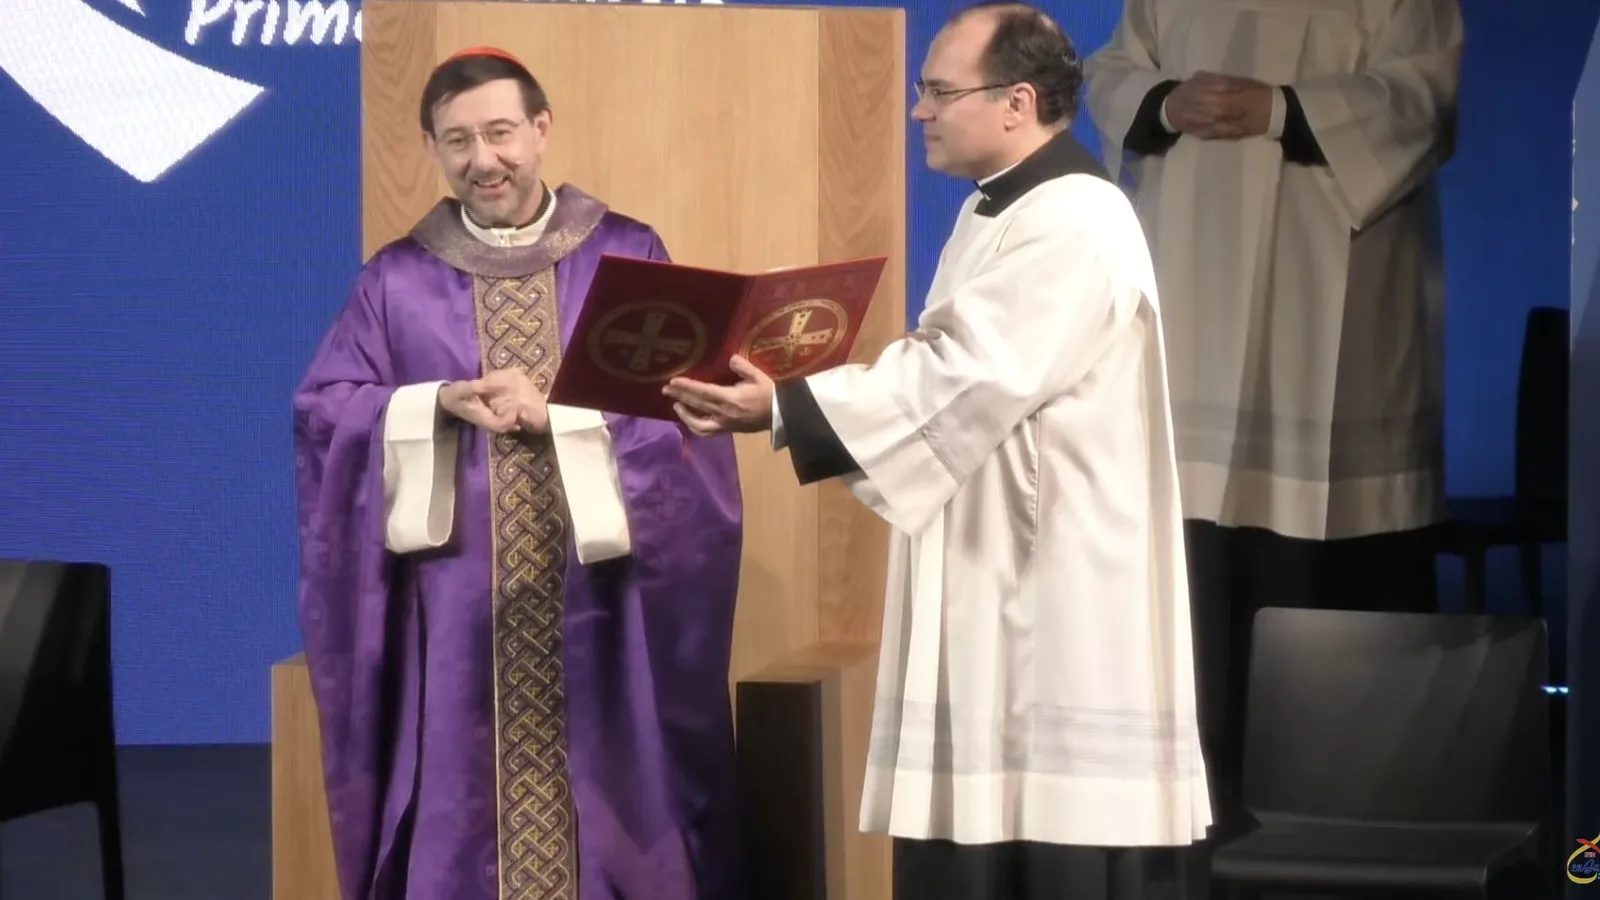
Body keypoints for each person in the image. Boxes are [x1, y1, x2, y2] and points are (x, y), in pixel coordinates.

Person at [662, 4, 1210, 898]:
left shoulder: (1075, 220)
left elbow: (969, 373)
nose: (919, 110)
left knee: (1044, 845)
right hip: (997, 561)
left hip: (1047, 587)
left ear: (1017, 102)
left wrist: (787, 406)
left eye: (939, 92)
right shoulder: (1000, 209)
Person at [292, 47, 745, 900]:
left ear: (540, 129)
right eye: (457, 141)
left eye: (500, 133)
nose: (483, 160)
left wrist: (560, 419)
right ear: (432, 148)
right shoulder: (397, 280)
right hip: (456, 604)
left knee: (617, 793)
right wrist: (433, 403)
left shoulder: (625, 253)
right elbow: (325, 410)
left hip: (600, 594)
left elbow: (686, 410)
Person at [1082, 0, 1462, 835]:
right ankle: (1183, 822)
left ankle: (1344, 826)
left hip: (1334, 295)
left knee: (1329, 589)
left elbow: (1424, 98)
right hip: (1192, 280)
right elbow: (1111, 71)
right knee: (1194, 573)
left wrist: (1285, 110)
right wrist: (1166, 103)